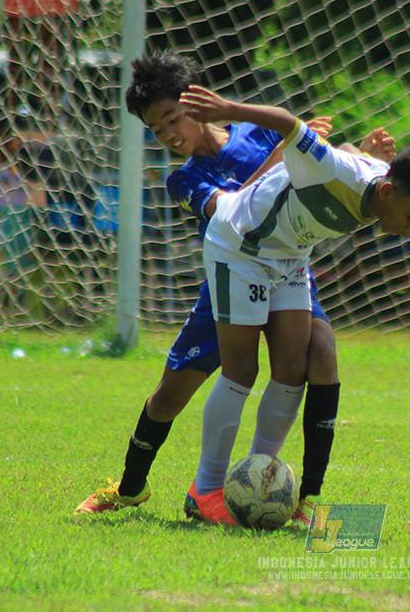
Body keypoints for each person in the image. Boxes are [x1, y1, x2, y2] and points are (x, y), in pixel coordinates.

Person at [74, 53, 365, 530]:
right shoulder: (185, 176)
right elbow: (236, 211)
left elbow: (313, 171)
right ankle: (129, 489)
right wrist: (292, 146)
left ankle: (292, 493)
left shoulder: (259, 131)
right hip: (232, 280)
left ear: (197, 104)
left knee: (318, 357)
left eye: (171, 118)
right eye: (156, 129)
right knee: (171, 394)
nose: (167, 134)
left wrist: (357, 149)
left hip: (289, 267)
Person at [178, 84, 410, 525]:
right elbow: (291, 125)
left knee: (293, 368)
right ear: (387, 193)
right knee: (242, 371)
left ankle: (260, 484)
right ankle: (205, 489)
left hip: (289, 256)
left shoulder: (379, 178)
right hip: (240, 245)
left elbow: (359, 158)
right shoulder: (340, 170)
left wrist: (364, 151)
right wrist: (227, 108)